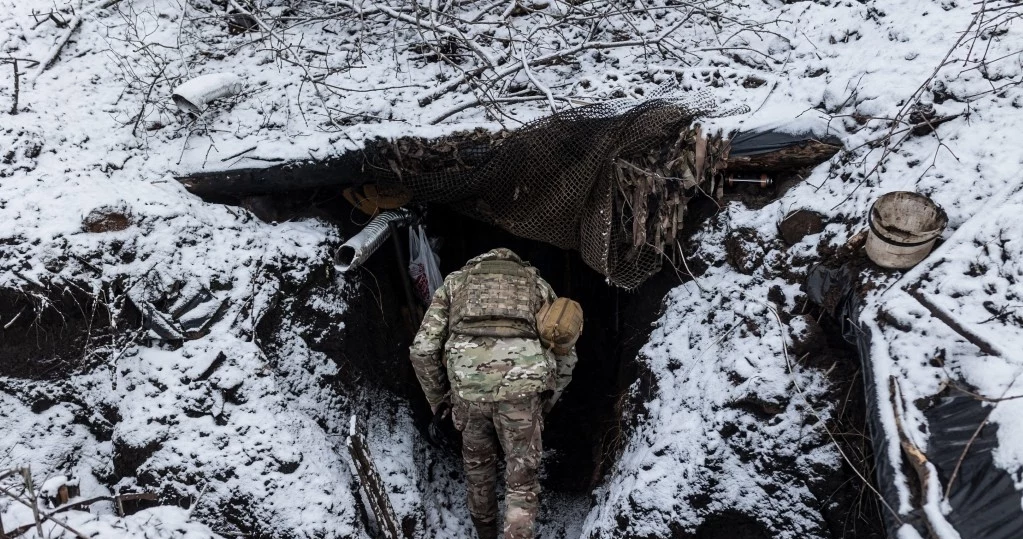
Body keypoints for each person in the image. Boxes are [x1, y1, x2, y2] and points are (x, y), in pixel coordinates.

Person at [409, 247, 578, 539]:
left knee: (478, 471)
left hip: (467, 389)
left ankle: (485, 534)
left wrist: (439, 401)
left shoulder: (455, 284)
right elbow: (565, 352)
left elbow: (422, 351)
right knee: (521, 481)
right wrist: (548, 399)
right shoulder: (537, 285)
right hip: (523, 390)